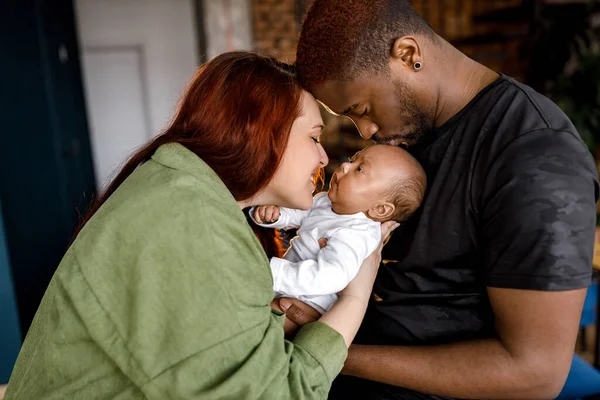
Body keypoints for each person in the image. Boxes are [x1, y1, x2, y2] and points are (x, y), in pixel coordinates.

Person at [4, 51, 398, 400]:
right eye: (314, 137)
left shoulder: (182, 193)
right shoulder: (191, 224)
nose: (323, 157)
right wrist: (355, 297)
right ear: (265, 132)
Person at [273, 1, 600, 399]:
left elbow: (534, 373)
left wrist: (329, 345)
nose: (365, 131)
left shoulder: (535, 156)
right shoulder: (409, 136)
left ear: (409, 55)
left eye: (362, 109)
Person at [252, 144, 425, 315]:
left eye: (359, 169)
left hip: (307, 302)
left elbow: (331, 277)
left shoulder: (356, 234)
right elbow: (301, 214)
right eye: (352, 160)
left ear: (380, 209)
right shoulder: (326, 202)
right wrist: (276, 215)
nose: (345, 165)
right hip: (285, 285)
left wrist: (274, 272)